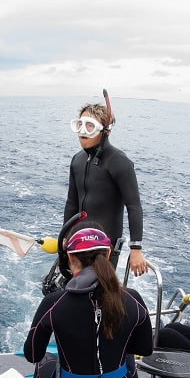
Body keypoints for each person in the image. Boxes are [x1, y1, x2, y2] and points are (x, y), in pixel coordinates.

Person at [22, 227, 153, 378]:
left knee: (44, 362)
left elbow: (32, 354)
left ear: (70, 258)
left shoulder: (54, 302)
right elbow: (145, 348)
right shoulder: (132, 297)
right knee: (126, 356)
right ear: (108, 254)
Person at [64, 98, 148, 277]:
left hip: (104, 249)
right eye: (79, 125)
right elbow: (72, 202)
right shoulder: (77, 160)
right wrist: (65, 236)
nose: (82, 131)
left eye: (89, 126)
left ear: (106, 130)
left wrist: (136, 248)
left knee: (99, 298)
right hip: (78, 241)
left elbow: (134, 206)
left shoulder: (119, 162)